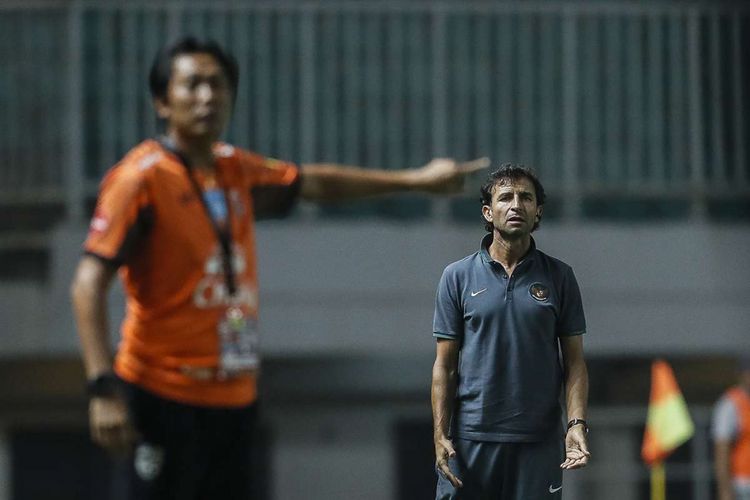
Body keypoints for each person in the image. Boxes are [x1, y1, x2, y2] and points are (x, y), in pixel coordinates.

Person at [70, 36, 487, 500]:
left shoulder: (234, 168)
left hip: (233, 398)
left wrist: (415, 181)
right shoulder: (140, 179)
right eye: (192, 85)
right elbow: (87, 285)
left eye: (218, 84)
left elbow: (314, 183)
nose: (208, 96)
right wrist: (102, 387)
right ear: (163, 101)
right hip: (159, 394)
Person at [431, 164, 590, 500]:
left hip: (539, 441)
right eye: (505, 197)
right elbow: (444, 366)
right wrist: (439, 434)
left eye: (525, 198)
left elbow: (574, 362)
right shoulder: (456, 277)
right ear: (488, 213)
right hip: (470, 440)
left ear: (538, 212)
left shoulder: (560, 276)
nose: (516, 205)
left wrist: (575, 424)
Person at [712, 356, 750, 500]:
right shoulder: (730, 404)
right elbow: (721, 449)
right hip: (742, 484)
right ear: (741, 375)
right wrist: (725, 490)